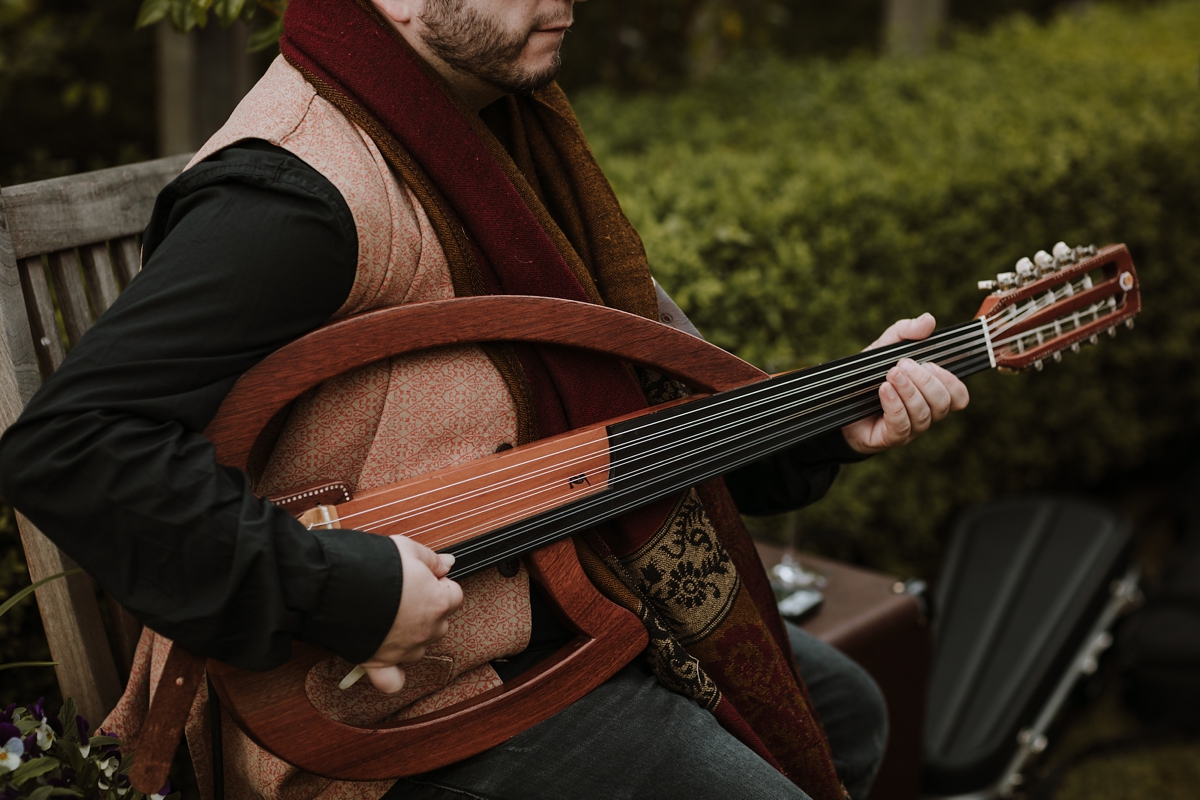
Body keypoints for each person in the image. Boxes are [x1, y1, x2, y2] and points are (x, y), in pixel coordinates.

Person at [0, 1, 969, 798]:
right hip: (383, 704)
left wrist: (827, 418)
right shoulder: (293, 192)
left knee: (840, 708)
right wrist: (343, 586)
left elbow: (643, 397)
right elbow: (75, 444)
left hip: (569, 603)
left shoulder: (496, 138)